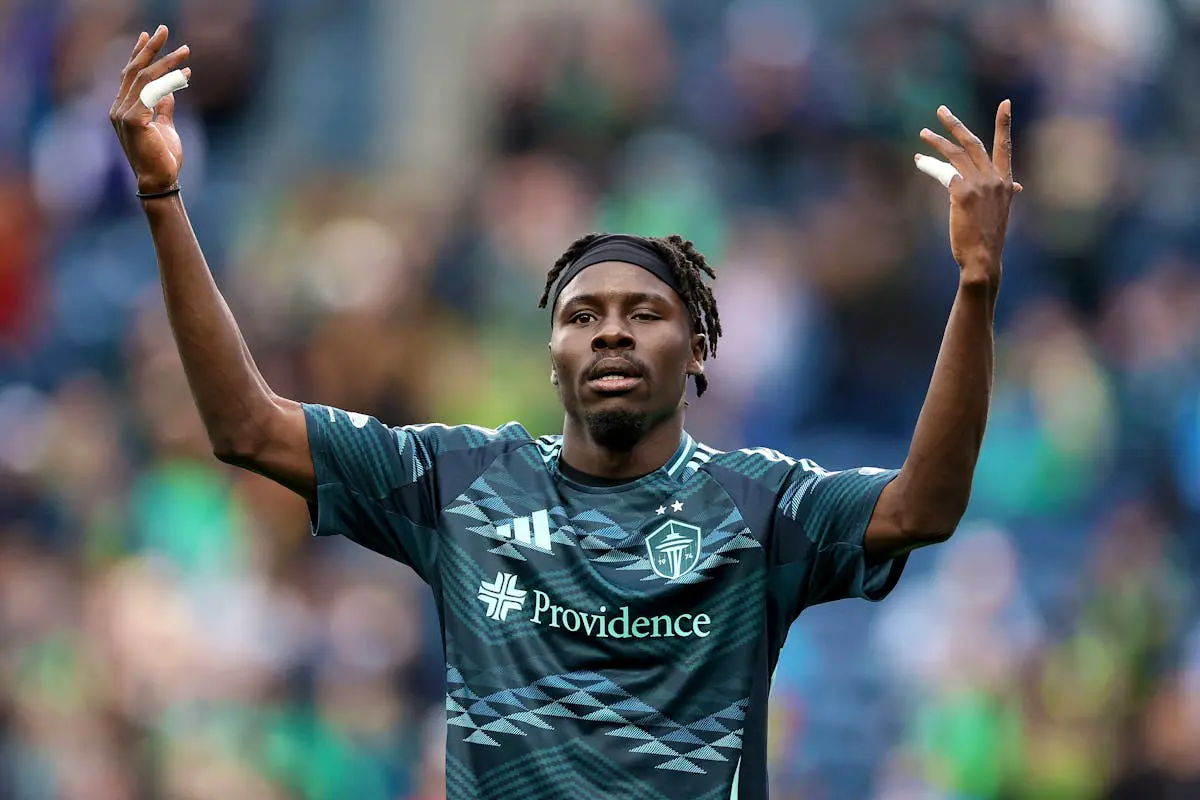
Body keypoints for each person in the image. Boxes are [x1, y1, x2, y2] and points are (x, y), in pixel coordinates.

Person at [110, 26, 1018, 800]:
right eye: (582, 317)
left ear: (698, 351)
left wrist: (976, 285)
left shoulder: (761, 507)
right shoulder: (460, 483)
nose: (611, 332)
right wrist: (161, 198)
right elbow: (247, 427)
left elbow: (922, 508)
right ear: (553, 359)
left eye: (645, 314)